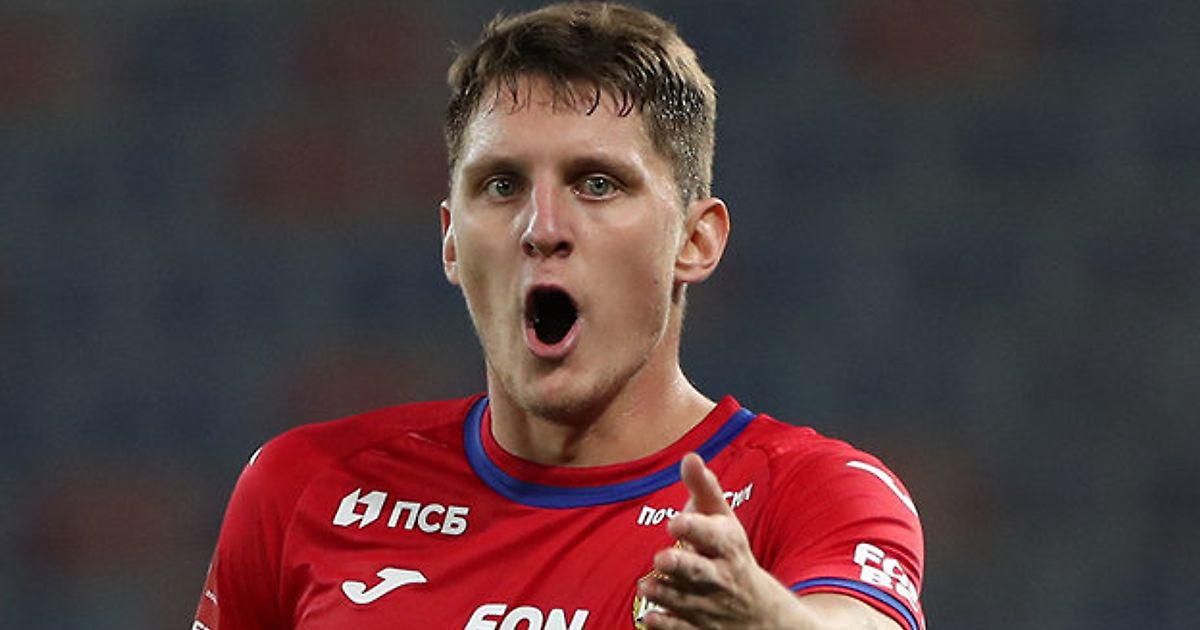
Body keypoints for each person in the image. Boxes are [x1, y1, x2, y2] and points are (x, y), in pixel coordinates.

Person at [193, 3, 925, 629]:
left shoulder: (809, 494)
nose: (542, 227)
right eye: (501, 185)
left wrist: (769, 622)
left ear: (695, 241)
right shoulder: (304, 490)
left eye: (596, 183)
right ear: (450, 241)